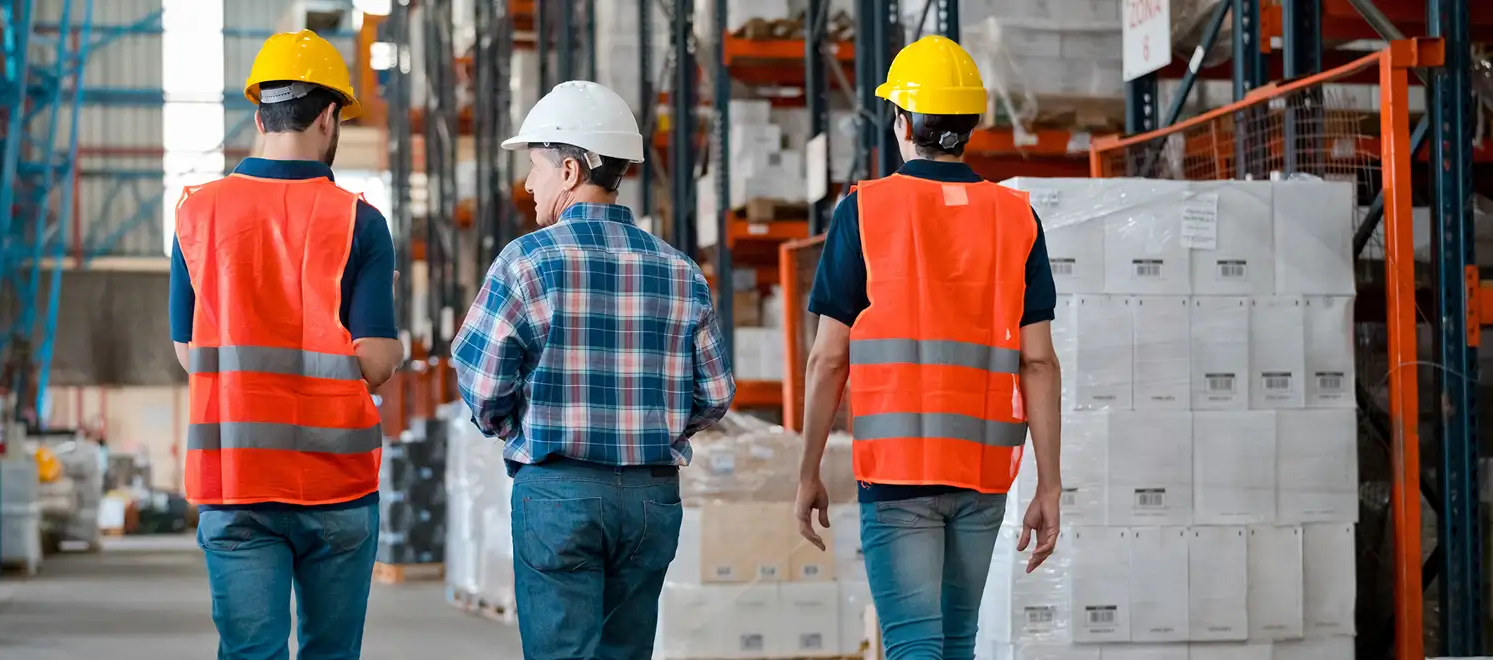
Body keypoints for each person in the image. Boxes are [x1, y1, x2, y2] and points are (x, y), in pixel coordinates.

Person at [791, 35, 1063, 660]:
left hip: (897, 470)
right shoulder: (1017, 217)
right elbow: (1039, 360)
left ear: (904, 121)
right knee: (956, 645)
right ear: (969, 125)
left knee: (915, 646)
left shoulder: (865, 210)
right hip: (985, 472)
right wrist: (1049, 485)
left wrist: (808, 472)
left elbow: (829, 357)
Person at [451, 80, 736, 660]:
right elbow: (714, 393)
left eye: (536, 166)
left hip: (560, 490)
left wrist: (522, 429)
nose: (529, 183)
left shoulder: (527, 260)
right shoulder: (680, 271)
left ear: (572, 170)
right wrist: (652, 427)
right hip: (651, 498)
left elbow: (482, 385)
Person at [167, 28, 402, 660]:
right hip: (337, 483)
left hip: (235, 481)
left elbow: (191, 353)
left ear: (258, 114)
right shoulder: (360, 220)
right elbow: (376, 361)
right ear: (329, 117)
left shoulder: (197, 214)